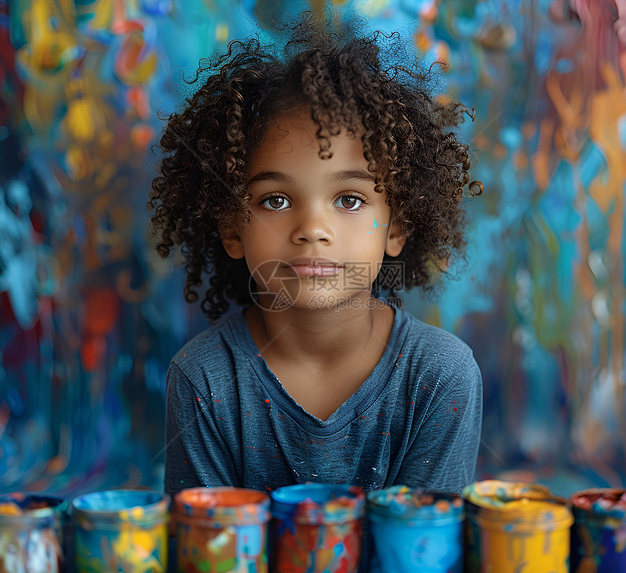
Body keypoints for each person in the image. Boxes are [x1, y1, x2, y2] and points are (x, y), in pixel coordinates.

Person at [150, 14, 483, 496]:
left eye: (349, 200)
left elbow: (423, 547)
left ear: (398, 227)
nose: (312, 230)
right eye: (275, 201)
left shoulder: (440, 375)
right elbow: (210, 548)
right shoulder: (203, 378)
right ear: (231, 227)